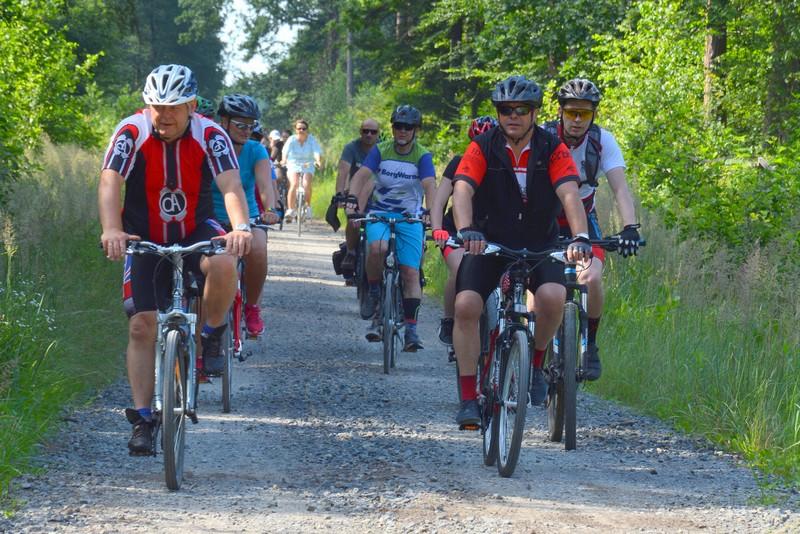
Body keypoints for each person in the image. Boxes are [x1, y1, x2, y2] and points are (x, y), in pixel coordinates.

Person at [98, 64, 253, 454]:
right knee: (141, 326)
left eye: (173, 107)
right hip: (143, 234)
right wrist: (112, 229)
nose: (163, 115)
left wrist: (240, 227)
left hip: (195, 229)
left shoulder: (210, 134)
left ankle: (212, 333)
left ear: (192, 106)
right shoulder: (131, 131)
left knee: (225, 260)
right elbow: (110, 180)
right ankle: (143, 418)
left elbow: (230, 184)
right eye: (157, 106)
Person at [450, 75, 592, 427]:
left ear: (534, 113)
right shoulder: (482, 145)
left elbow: (569, 193)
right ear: (498, 113)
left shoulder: (552, 147)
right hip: (490, 240)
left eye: (522, 109)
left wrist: (580, 237)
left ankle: (536, 364)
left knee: (553, 297)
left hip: (540, 241)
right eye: (505, 109)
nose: (513, 116)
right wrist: (466, 230)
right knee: (465, 305)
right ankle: (468, 398)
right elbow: (463, 188)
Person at [539, 77, 641, 381]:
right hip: (543, 218)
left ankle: (590, 344)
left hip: (584, 218)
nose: (577, 120)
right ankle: (533, 355)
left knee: (592, 277)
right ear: (560, 112)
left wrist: (630, 228)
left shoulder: (602, 140)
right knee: (537, 292)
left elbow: (620, 188)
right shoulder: (544, 136)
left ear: (593, 114)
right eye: (571, 112)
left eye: (584, 113)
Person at [346, 105, 436, 352]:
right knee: (377, 247)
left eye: (408, 127)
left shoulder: (422, 155)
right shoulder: (381, 150)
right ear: (392, 128)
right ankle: (375, 291)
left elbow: (430, 185)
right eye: (398, 126)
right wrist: (353, 199)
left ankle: (412, 330)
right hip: (379, 213)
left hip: (410, 217)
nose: (402, 131)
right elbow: (361, 175)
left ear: (415, 130)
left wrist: (430, 212)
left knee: (410, 272)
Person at [212, 94, 280, 338]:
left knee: (258, 249)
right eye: (241, 125)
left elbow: (265, 185)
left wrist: (269, 210)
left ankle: (252, 307)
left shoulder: (256, 149)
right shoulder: (208, 146)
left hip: (248, 216)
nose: (246, 131)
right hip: (212, 218)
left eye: (251, 126)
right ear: (224, 122)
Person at [431, 116, 497, 346]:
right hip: (455, 232)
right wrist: (437, 229)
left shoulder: (502, 166)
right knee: (462, 269)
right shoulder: (459, 162)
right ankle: (449, 320)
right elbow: (439, 201)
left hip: (490, 233)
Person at [335, 118, 381, 281]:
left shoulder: (384, 149)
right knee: (353, 219)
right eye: (365, 131)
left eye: (373, 132)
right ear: (360, 132)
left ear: (378, 134)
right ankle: (351, 251)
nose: (369, 135)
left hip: (380, 196)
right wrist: (339, 195)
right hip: (354, 193)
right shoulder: (351, 148)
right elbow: (343, 172)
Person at [281, 119, 322, 221]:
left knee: (306, 184)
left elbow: (316, 151)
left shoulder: (312, 140)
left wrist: (318, 161)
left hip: (308, 164)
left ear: (307, 130)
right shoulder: (291, 139)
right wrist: (284, 160)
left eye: (304, 129)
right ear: (295, 130)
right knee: (294, 184)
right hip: (293, 163)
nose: (301, 131)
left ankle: (307, 207)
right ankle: (290, 209)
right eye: (299, 128)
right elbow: (285, 151)